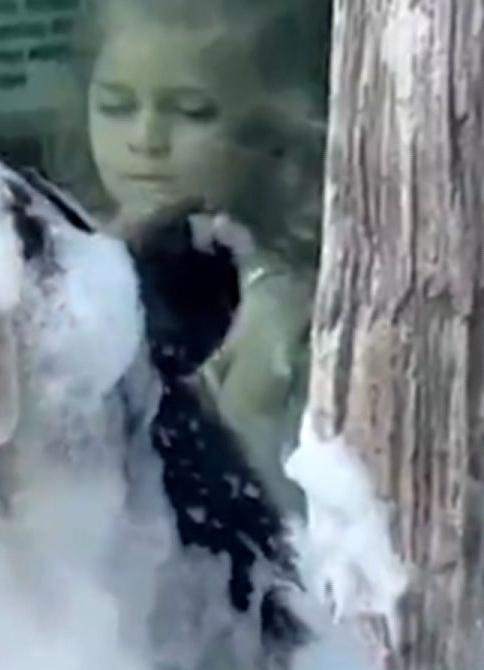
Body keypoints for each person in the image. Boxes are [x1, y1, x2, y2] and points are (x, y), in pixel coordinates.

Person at [51, 0, 332, 509]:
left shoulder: (280, 305)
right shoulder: (61, 261)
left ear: (273, 129)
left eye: (191, 111)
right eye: (116, 106)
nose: (146, 139)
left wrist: (255, 389)